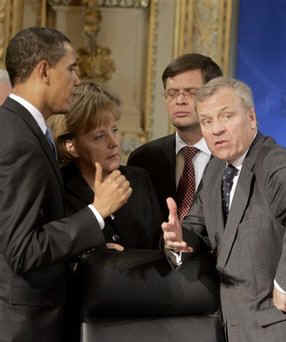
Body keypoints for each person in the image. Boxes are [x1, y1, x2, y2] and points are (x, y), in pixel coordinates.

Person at [54, 81, 224, 342]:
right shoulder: (58, 187)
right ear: (71, 146)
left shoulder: (139, 179)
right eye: (99, 136)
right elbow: (51, 254)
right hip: (79, 322)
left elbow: (157, 246)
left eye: (115, 130)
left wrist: (171, 245)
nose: (113, 143)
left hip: (147, 317)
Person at [0, 27, 131, 342]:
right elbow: (23, 250)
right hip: (25, 326)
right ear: (44, 71)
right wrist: (97, 212)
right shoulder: (19, 139)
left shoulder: (23, 128)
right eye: (71, 69)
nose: (77, 80)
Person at [162, 77, 286, 342]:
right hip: (232, 326)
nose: (216, 129)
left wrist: (284, 285)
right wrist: (179, 239)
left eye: (226, 116)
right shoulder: (217, 168)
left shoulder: (275, 164)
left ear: (251, 117)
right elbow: (198, 229)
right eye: (206, 121)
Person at [128, 53, 223, 221]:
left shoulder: (233, 158)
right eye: (172, 93)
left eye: (191, 92)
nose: (180, 100)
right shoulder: (143, 159)